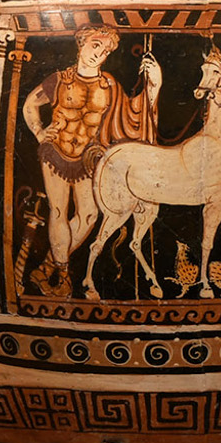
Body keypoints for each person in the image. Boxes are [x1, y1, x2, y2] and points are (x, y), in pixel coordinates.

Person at [22, 25, 162, 283]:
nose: (100, 53)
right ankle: (63, 275)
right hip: (56, 152)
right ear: (81, 43)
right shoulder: (60, 80)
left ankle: (49, 266)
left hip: (88, 158)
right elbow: (30, 104)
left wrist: (154, 85)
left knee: (89, 215)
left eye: (106, 50)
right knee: (58, 211)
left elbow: (132, 116)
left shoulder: (109, 86)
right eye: (96, 45)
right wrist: (40, 132)